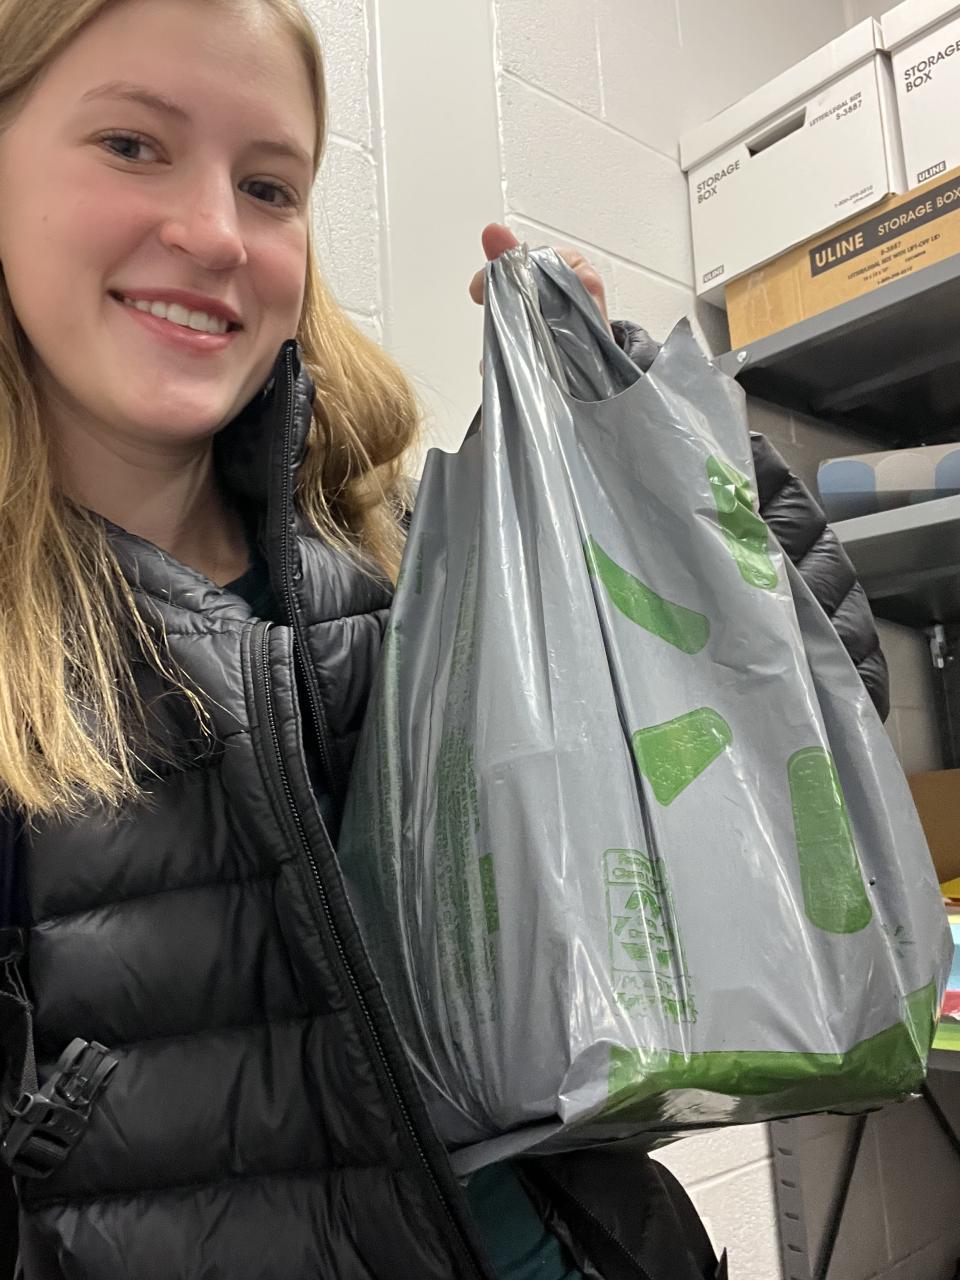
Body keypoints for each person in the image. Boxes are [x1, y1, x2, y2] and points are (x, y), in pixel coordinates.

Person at [0, 0, 889, 1277]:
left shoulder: (402, 548)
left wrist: (643, 473)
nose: (214, 232)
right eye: (133, 145)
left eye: (269, 185)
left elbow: (807, 770)